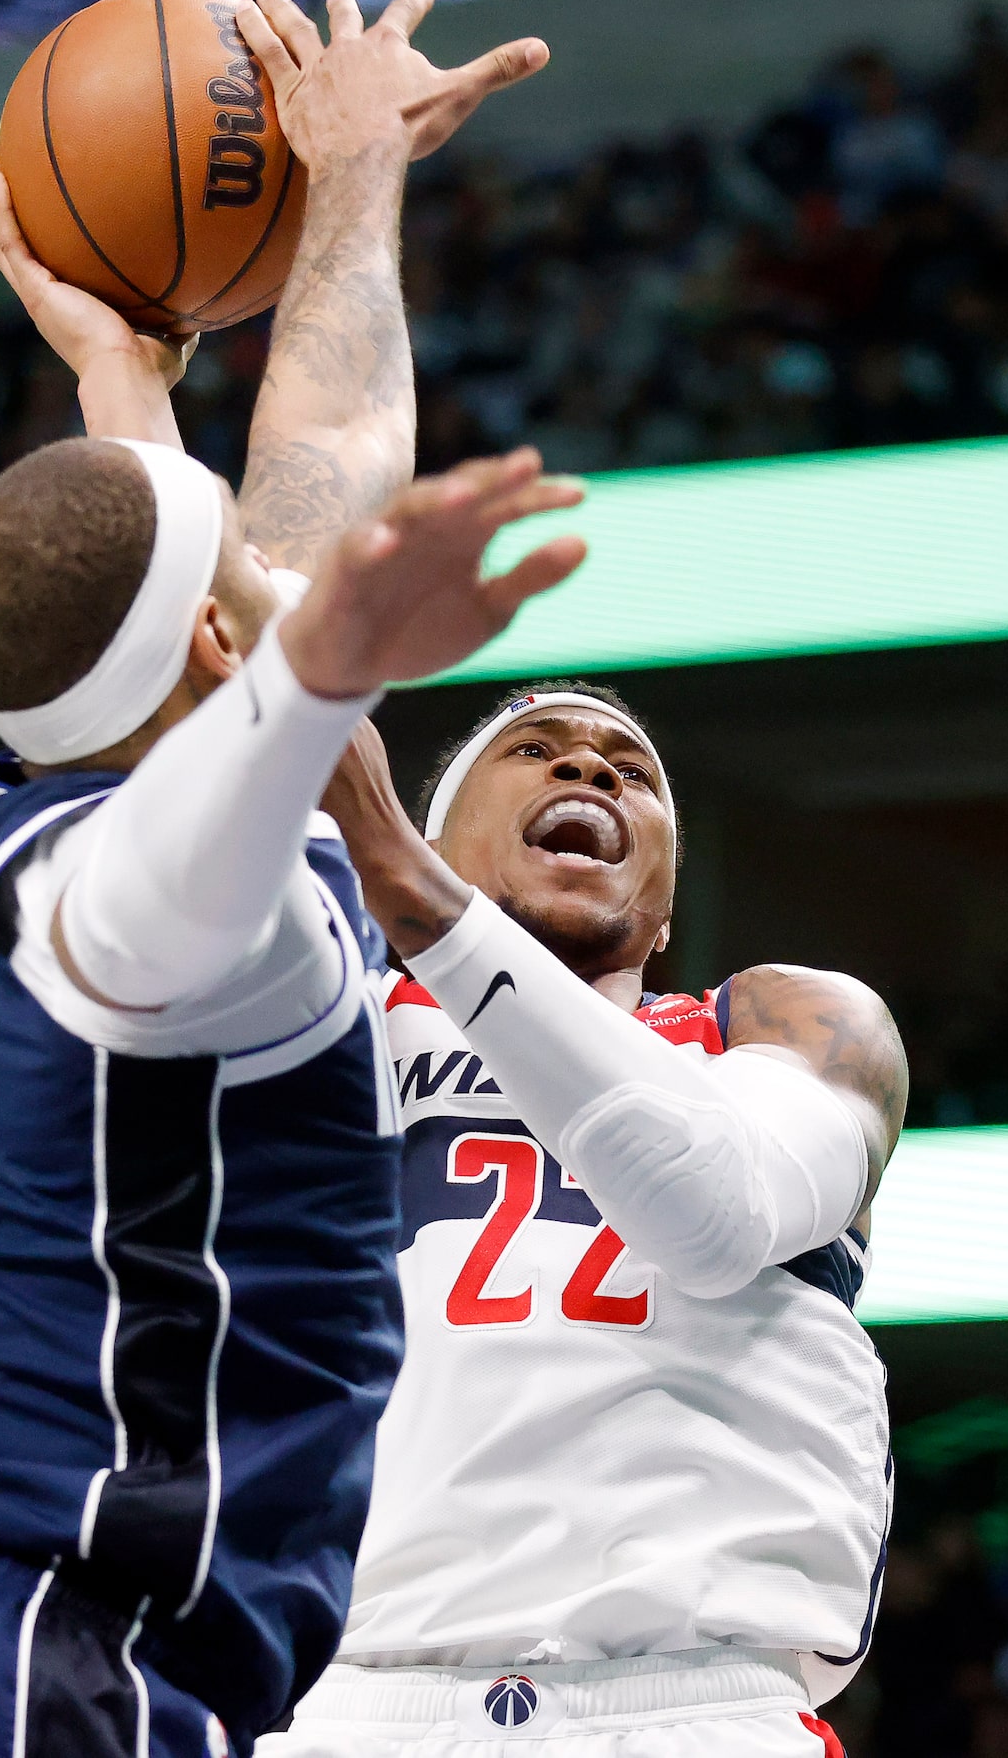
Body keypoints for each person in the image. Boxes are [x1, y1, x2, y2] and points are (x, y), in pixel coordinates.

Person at [0, 0, 576, 1758]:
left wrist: (293, 238)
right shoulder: (161, 907)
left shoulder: (61, 788)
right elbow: (177, 864)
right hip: (31, 1669)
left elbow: (310, 483)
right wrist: (325, 660)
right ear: (210, 633)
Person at [263, 686, 906, 1757]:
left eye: (630, 769)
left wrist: (404, 879)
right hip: (350, 1700)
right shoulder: (339, 1029)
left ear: (661, 913)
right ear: (433, 842)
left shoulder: (787, 1019)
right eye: (533, 750)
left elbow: (715, 1207)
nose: (590, 770)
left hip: (696, 1706)